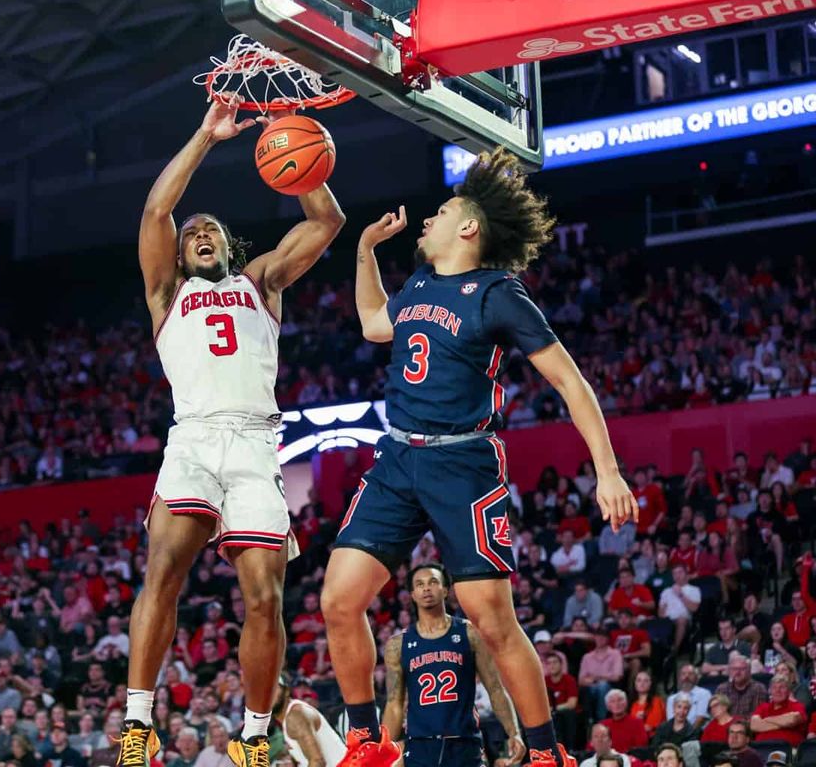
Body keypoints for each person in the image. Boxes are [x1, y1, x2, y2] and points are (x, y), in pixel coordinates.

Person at [325, 149, 636, 767]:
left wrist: (608, 469)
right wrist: (363, 250)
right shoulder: (416, 284)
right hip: (397, 460)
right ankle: (366, 740)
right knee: (338, 598)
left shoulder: (499, 294)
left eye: (439, 212)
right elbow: (370, 322)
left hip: (463, 463)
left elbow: (571, 383)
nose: (425, 221)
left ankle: (549, 753)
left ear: (467, 227)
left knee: (490, 617)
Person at [119, 95, 345, 767]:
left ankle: (252, 734)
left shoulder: (261, 281)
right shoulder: (167, 293)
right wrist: (207, 135)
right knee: (163, 568)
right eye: (194, 234)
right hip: (193, 437)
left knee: (263, 596)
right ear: (183, 253)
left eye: (211, 228)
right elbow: (157, 211)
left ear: (229, 243)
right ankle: (138, 722)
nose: (201, 233)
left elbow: (327, 220)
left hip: (253, 443)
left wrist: (295, 151)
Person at [381, 564, 525, 767]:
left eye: (433, 582)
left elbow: (495, 688)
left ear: (446, 590)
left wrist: (514, 732)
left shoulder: (470, 633)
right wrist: (383, 749)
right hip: (420, 746)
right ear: (413, 594)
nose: (427, 588)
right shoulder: (397, 645)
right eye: (420, 584)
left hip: (464, 742)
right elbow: (394, 704)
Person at [272, 676, 346, 767]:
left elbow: (318, 762)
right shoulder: (289, 715)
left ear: (287, 691)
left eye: (273, 688)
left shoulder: (295, 715)